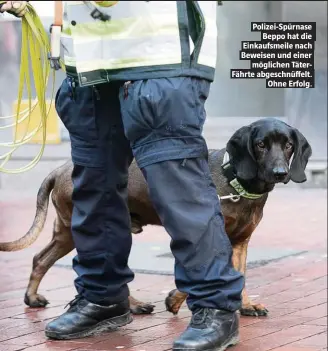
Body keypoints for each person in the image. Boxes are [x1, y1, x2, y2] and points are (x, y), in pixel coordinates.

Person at [1, 1, 245, 350]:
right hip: (90, 66)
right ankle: (103, 297)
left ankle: (216, 309)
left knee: (180, 192)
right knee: (93, 187)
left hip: (160, 60)